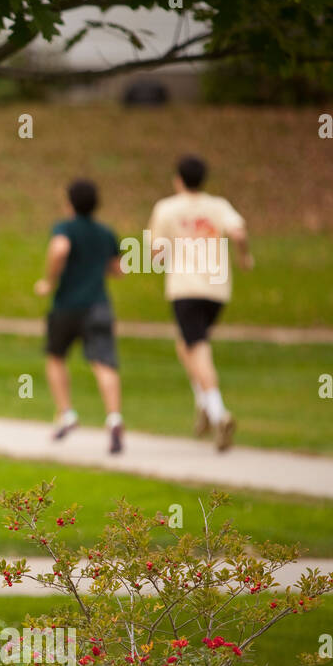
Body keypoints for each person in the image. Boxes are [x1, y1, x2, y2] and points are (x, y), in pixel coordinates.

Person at [147, 155, 252, 451]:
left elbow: (156, 252)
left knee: (198, 348)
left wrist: (166, 256)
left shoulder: (166, 208)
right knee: (187, 345)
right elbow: (239, 232)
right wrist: (244, 256)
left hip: (185, 288)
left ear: (178, 179)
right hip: (218, 290)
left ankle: (219, 412)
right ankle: (203, 403)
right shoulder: (218, 206)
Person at [34, 179, 125, 454]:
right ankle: (114, 417)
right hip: (99, 305)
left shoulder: (65, 228)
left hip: (67, 305)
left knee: (56, 357)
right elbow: (119, 269)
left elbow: (59, 248)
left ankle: (67, 412)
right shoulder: (105, 232)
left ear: (69, 202)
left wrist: (49, 280)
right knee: (103, 363)